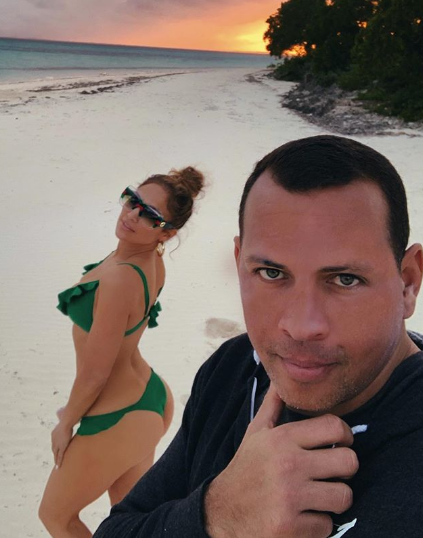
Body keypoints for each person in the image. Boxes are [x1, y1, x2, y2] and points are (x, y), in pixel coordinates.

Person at [93, 135, 423, 538]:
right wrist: (218, 516)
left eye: (345, 279)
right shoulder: (234, 368)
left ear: (407, 283)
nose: (301, 326)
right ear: (239, 264)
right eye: (271, 273)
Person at [38, 166, 205, 538]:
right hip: (147, 401)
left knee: (56, 516)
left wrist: (66, 422)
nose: (131, 215)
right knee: (129, 525)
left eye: (149, 215)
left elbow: (96, 372)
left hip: (119, 415)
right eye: (133, 201)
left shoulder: (119, 279)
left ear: (167, 232)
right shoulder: (148, 261)